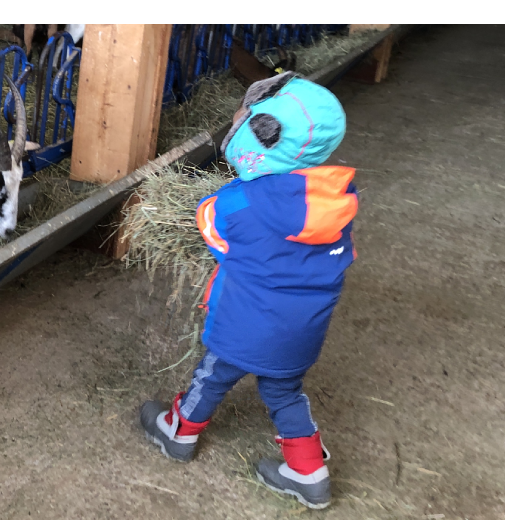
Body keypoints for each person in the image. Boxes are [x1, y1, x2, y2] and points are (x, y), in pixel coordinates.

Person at [138, 71, 357, 510]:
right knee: (284, 393)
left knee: (212, 377)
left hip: (244, 325)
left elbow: (213, 229)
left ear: (261, 136)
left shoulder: (243, 204)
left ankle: (178, 432)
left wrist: (218, 198)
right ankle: (309, 471)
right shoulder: (337, 201)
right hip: (302, 334)